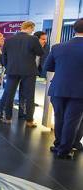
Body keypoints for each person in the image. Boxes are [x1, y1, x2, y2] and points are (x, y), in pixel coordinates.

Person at [44, 18, 83, 159]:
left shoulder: (57, 47)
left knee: (59, 118)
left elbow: (47, 67)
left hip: (58, 88)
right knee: (72, 120)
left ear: (74, 30)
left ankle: (59, 145)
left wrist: (62, 69)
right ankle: (65, 150)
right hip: (79, 91)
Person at [0, 21, 44, 127]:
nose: (33, 31)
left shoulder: (9, 39)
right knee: (29, 96)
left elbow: (3, 56)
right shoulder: (33, 39)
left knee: (9, 95)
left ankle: (8, 118)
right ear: (29, 27)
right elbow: (40, 53)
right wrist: (41, 45)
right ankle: (29, 121)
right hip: (29, 71)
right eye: (32, 29)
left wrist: (8, 66)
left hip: (12, 70)